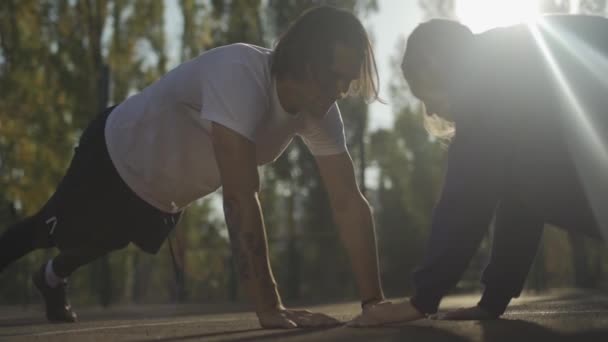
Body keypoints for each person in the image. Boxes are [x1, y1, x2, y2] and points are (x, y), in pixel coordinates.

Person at [0, 5, 386, 327]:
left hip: (163, 194)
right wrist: (269, 307)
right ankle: (48, 269)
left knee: (106, 239)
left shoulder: (320, 111)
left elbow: (348, 202)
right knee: (47, 230)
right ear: (305, 59)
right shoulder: (242, 73)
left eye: (347, 81)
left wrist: (375, 304)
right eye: (334, 77)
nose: (340, 90)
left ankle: (50, 277)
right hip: (114, 151)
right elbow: (239, 193)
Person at [350, 14, 608, 326]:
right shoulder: (507, 59)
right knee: (523, 174)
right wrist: (493, 300)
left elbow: (466, 197)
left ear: (438, 69)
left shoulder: (487, 78)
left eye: (424, 95)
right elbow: (522, 192)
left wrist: (422, 299)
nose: (429, 110)